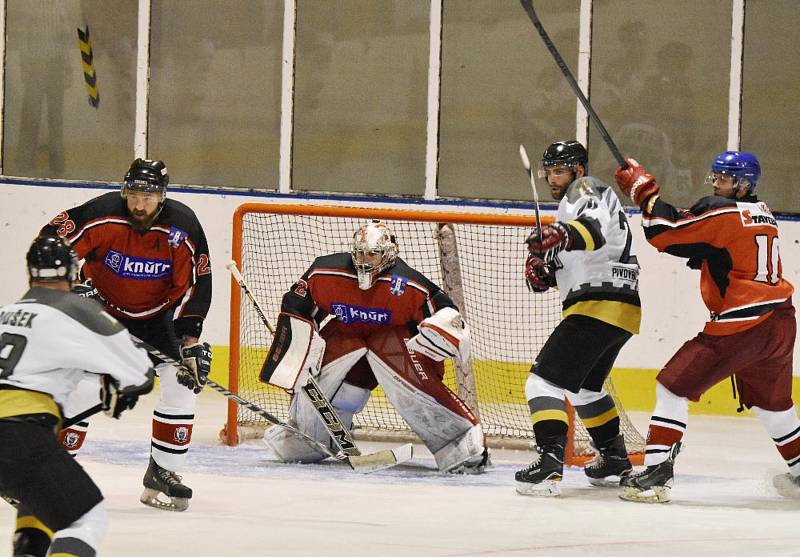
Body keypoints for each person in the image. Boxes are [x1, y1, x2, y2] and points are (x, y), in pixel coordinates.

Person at [614, 151, 800, 503]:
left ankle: (656, 474)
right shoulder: (763, 213)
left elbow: (663, 232)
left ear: (744, 186)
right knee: (774, 406)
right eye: (714, 177)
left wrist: (644, 192)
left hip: (743, 325)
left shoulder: (724, 211)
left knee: (672, 385)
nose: (716, 184)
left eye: (725, 179)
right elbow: (721, 247)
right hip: (780, 323)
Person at [41, 158, 213, 511]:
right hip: (100, 312)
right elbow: (50, 243)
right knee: (87, 388)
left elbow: (199, 284)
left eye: (148, 196)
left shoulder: (183, 227)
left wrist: (190, 340)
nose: (139, 204)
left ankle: (164, 472)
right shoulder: (101, 213)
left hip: (155, 319)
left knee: (183, 383)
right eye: (133, 194)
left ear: (162, 197)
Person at [261, 221, 491, 473]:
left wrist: (442, 329)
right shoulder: (326, 273)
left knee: (405, 374)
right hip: (346, 338)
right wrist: (299, 349)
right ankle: (310, 439)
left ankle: (459, 441)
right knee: (327, 369)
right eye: (360, 253)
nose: (364, 260)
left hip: (394, 347)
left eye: (372, 254)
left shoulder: (409, 284)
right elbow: (297, 305)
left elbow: (444, 311)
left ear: (388, 254)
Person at [0, 234, 154, 557]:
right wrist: (119, 384)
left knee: (39, 500)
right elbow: (140, 372)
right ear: (72, 273)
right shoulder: (75, 308)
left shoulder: (4, 313)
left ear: (30, 274)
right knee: (85, 519)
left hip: (16, 433)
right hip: (18, 432)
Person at [516, 140, 642, 496]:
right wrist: (545, 269)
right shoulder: (570, 208)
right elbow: (580, 249)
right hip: (621, 307)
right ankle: (615, 458)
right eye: (550, 171)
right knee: (585, 388)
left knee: (541, 383)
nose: (553, 177)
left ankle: (549, 463)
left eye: (560, 170)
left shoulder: (584, 189)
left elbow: (592, 231)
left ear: (578, 170)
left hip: (597, 303)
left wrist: (560, 235)